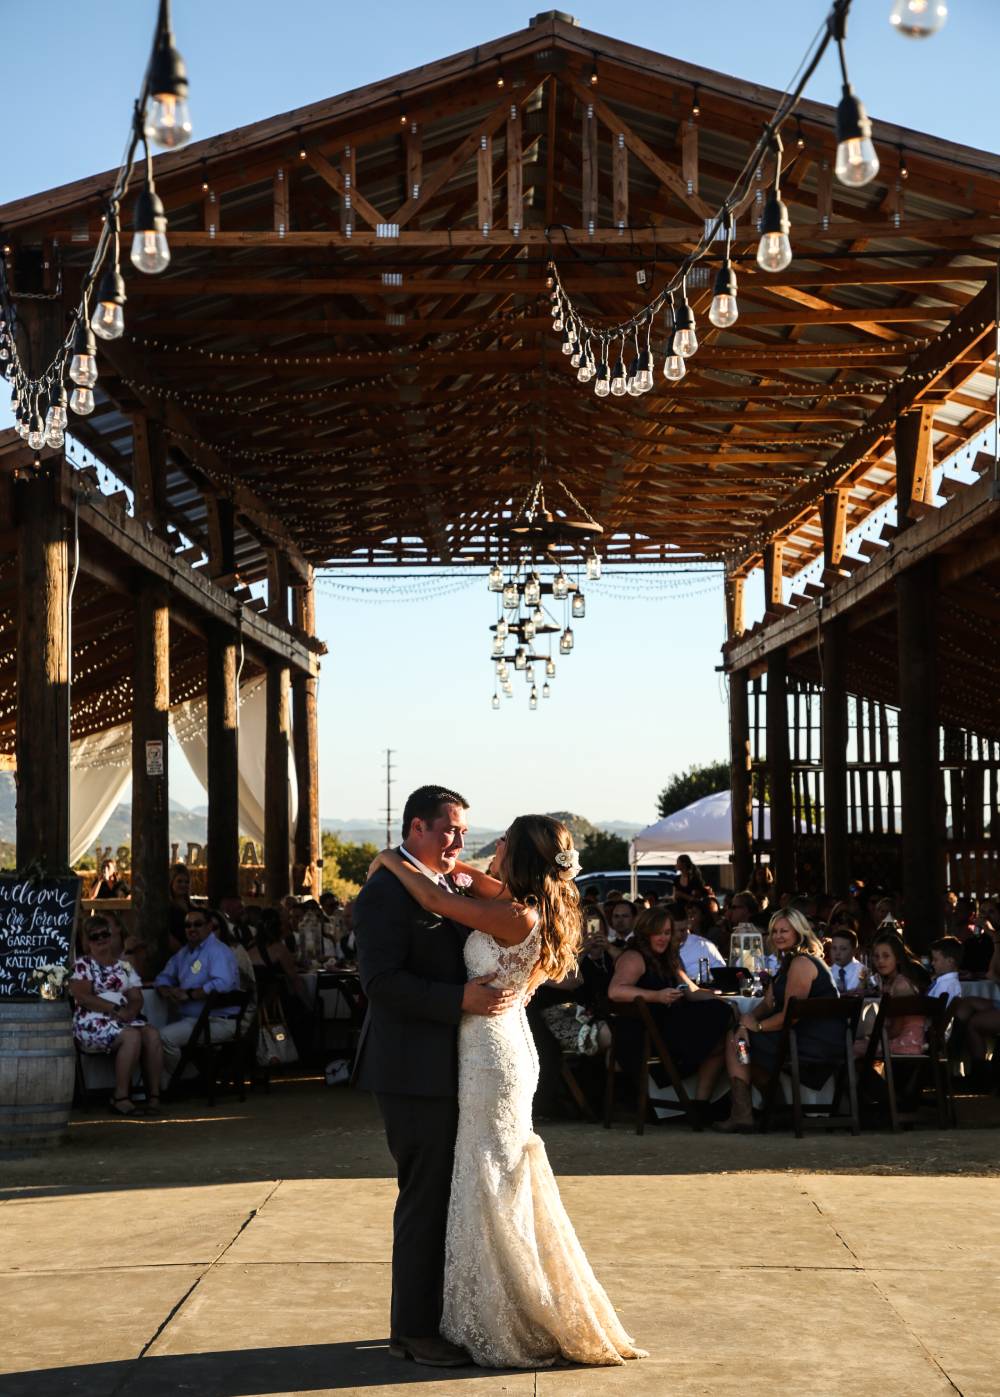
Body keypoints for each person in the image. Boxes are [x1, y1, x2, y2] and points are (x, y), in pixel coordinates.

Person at [356, 787, 643, 1371]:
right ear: (418, 827)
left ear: (520, 858)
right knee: (445, 1191)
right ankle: (424, 1326)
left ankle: (461, 1318)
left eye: (490, 839)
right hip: (445, 1060)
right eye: (451, 830)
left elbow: (443, 896)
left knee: (476, 1185)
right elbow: (381, 981)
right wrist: (408, 866)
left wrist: (395, 858)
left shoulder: (509, 909)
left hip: (488, 1054)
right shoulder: (495, 896)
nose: (468, 844)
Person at [716, 909, 842, 1133]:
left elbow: (789, 1016)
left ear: (799, 932)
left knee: (736, 1042)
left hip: (810, 1043)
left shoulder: (802, 963)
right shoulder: (788, 964)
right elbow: (766, 1004)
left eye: (785, 930)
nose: (778, 936)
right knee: (739, 1040)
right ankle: (776, 1107)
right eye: (774, 931)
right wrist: (746, 1024)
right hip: (797, 1037)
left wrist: (758, 1026)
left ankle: (745, 1113)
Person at [608, 906, 731, 1110]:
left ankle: (700, 1105)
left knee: (723, 1017)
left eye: (667, 933)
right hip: (644, 1033)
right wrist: (655, 996)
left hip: (666, 1026)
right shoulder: (634, 957)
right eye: (657, 933)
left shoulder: (668, 957)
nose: (663, 938)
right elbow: (616, 991)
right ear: (646, 932)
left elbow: (691, 990)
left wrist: (722, 998)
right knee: (718, 1020)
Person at [70, 915, 164, 1115]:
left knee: (152, 1034)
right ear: (87, 941)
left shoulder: (124, 966)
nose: (101, 939)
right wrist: (115, 1009)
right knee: (131, 1035)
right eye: (95, 936)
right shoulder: (82, 965)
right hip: (92, 1021)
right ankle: (120, 1097)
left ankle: (154, 1097)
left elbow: (136, 997)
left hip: (122, 1018)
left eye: (105, 934)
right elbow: (83, 997)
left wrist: (131, 1011)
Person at [154, 905, 241, 1083]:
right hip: (193, 1019)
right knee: (153, 1036)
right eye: (188, 925)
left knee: (163, 1038)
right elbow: (164, 976)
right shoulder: (184, 953)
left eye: (197, 924)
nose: (192, 928)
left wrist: (191, 994)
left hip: (217, 1021)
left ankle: (188, 1078)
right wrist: (166, 989)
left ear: (209, 926)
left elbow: (223, 983)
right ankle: (188, 1078)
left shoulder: (217, 951)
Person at [855, 930, 928, 1060]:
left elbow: (895, 1030)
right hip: (902, 1041)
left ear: (898, 958)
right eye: (876, 956)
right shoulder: (890, 983)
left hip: (905, 1044)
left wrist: (872, 1036)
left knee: (851, 1046)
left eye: (886, 956)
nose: (880, 961)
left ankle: (864, 1080)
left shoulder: (901, 985)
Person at [676, 901, 726, 982]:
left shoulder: (704, 945)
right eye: (671, 931)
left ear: (688, 925)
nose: (678, 935)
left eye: (682, 930)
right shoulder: (659, 949)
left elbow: (723, 974)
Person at [829, 927, 867, 996]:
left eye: (843, 949)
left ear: (854, 951)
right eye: (834, 948)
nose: (837, 953)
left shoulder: (863, 972)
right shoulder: (828, 972)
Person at [167, 864, 194, 953]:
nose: (183, 885)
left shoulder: (192, 907)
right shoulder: (167, 908)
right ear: (171, 882)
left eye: (186, 882)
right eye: (179, 881)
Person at [928, 937, 962, 1005]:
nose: (932, 963)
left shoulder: (946, 985)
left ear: (950, 961)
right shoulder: (944, 982)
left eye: (935, 960)